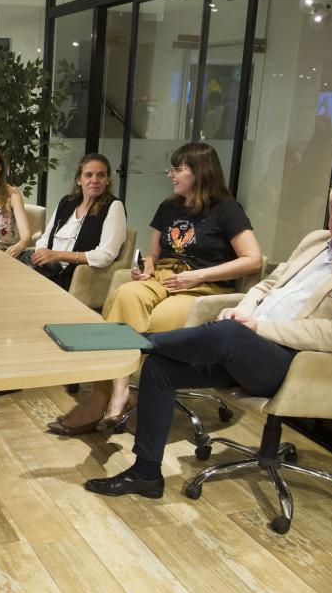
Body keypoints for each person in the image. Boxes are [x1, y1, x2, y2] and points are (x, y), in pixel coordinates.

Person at [84, 172, 332, 498]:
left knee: (227, 334)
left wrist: (257, 327)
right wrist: (247, 310)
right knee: (160, 368)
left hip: (299, 365)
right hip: (248, 348)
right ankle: (146, 474)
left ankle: (131, 342)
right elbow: (269, 283)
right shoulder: (316, 241)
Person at [50, 142, 261, 436]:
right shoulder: (168, 207)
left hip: (202, 289)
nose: (170, 174)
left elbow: (253, 260)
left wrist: (197, 276)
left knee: (136, 326)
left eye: (178, 168)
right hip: (162, 278)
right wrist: (145, 267)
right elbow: (154, 255)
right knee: (124, 295)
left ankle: (101, 400)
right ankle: (120, 392)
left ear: (199, 172)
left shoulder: (227, 209)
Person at [23, 153, 127, 289]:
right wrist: (42, 255)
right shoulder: (67, 202)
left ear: (107, 180)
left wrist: (58, 255)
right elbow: (46, 237)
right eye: (88, 175)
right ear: (79, 179)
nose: (95, 180)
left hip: (72, 276)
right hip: (48, 268)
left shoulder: (113, 207)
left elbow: (105, 256)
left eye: (101, 175)